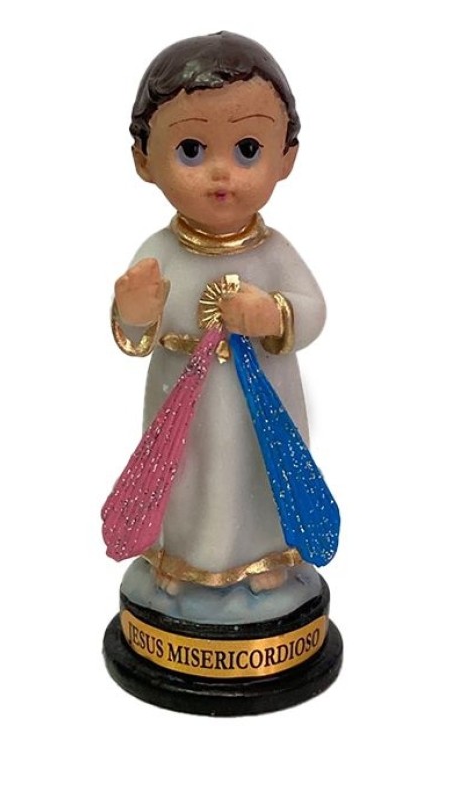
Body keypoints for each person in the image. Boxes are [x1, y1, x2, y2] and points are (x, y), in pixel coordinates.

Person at [109, 32, 329, 619]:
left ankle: (263, 559)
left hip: (264, 399)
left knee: (258, 473)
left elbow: (312, 309)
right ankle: (178, 560)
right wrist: (136, 311)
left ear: (286, 157)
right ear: (143, 159)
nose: (220, 173)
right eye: (191, 150)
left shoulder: (273, 252)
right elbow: (135, 337)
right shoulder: (161, 252)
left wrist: (273, 313)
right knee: (185, 474)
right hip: (181, 397)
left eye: (248, 148)